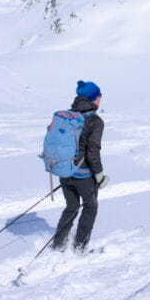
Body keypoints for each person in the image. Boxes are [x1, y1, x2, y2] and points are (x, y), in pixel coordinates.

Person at [52, 80, 108, 251]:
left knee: (72, 206)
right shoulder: (95, 121)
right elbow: (92, 152)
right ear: (93, 98)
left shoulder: (67, 116)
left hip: (64, 171)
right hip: (83, 175)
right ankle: (80, 247)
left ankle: (59, 244)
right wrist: (99, 176)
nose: (100, 99)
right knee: (90, 207)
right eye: (98, 96)